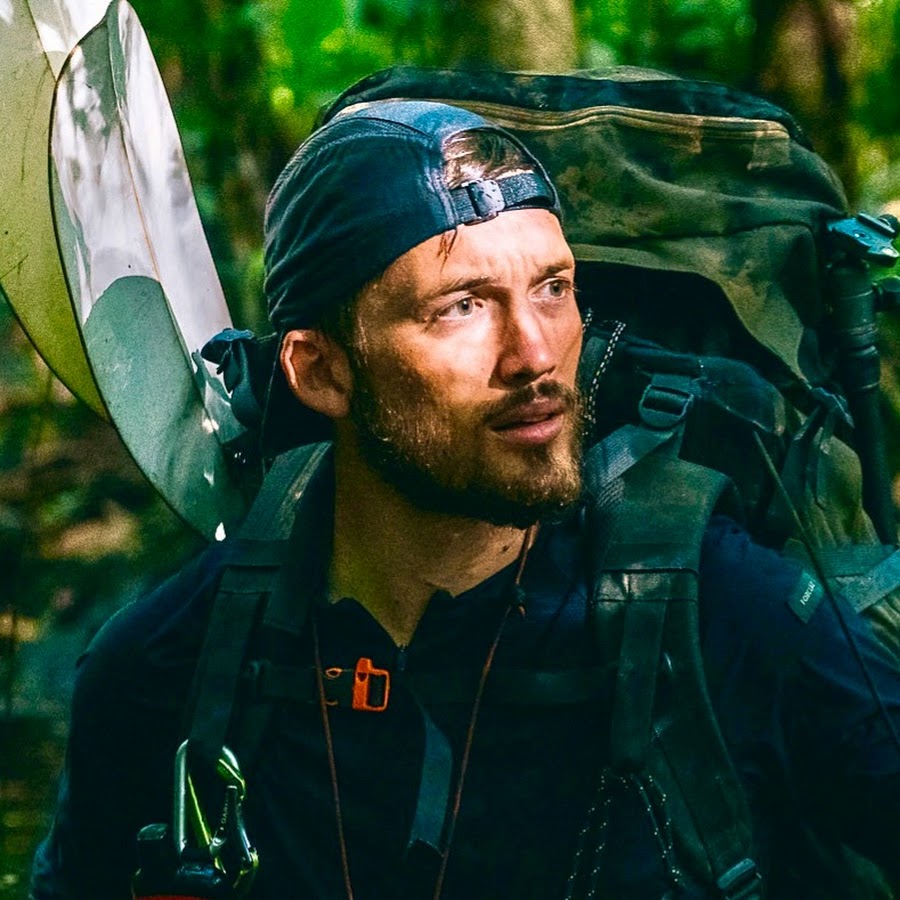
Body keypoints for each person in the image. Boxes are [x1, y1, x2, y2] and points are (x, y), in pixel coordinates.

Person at [30, 99, 900, 900]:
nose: (537, 354)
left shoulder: (731, 623)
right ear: (321, 370)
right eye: (461, 306)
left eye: (554, 289)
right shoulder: (165, 671)